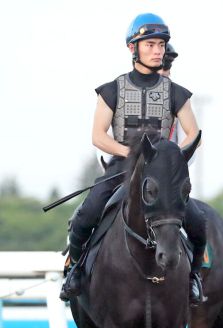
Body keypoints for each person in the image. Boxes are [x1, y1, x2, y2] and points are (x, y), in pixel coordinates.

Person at [60, 13, 206, 305]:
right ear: (133, 48)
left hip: (161, 175)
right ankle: (75, 270)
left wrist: (170, 157)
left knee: (198, 222)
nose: (157, 51)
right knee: (85, 215)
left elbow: (193, 133)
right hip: (121, 168)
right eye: (151, 44)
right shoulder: (111, 90)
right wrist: (132, 153)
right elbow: (98, 136)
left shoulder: (178, 94)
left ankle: (193, 277)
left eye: (161, 45)